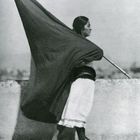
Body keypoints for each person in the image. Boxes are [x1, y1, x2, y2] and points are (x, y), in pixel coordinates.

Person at [57, 16, 101, 140]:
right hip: (83, 80)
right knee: (74, 111)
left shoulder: (78, 43)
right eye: (88, 26)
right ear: (82, 29)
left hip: (84, 80)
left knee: (75, 112)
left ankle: (82, 137)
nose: (91, 28)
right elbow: (99, 53)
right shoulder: (81, 45)